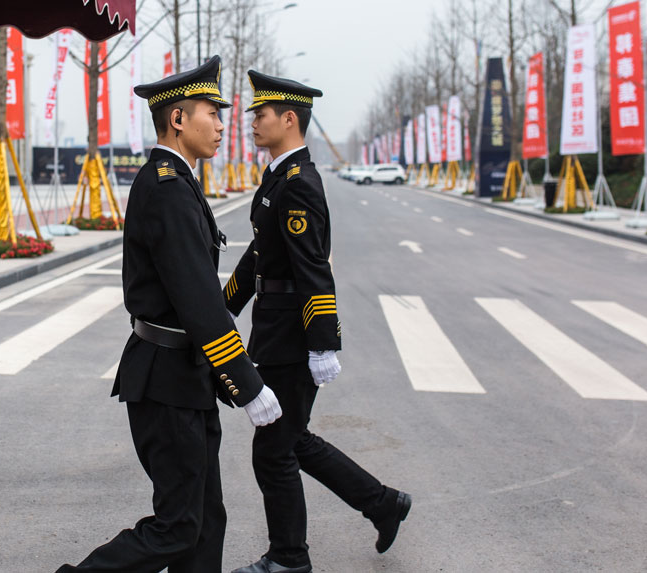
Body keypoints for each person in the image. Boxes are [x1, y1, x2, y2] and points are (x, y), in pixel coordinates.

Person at [56, 56, 282, 573]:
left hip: (185, 375)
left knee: (205, 521)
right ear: (178, 119)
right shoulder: (167, 189)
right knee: (179, 527)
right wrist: (246, 383)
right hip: (166, 379)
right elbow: (198, 301)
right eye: (212, 113)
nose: (222, 125)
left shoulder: (178, 181)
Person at [224, 71, 411, 573]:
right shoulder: (278, 177)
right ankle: (382, 503)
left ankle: (289, 558)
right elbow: (261, 254)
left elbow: (312, 268)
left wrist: (322, 343)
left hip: (291, 337)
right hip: (275, 329)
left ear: (289, 119)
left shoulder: (300, 183)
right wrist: (226, 306)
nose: (252, 123)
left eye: (261, 115)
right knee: (292, 438)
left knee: (274, 450)